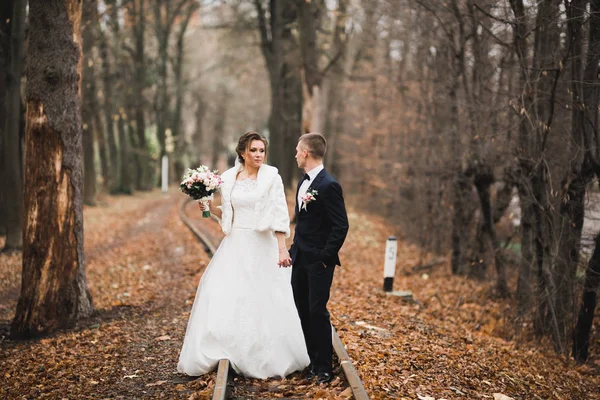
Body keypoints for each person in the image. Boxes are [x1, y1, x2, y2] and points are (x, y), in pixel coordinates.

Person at [177, 131, 310, 379]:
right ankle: (226, 346)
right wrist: (208, 208)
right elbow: (228, 211)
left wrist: (282, 248)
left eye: (261, 150)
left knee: (264, 296)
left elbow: (280, 214)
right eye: (254, 150)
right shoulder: (229, 177)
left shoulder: (272, 177)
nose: (258, 155)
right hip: (236, 242)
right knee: (227, 293)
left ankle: (266, 352)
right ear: (242, 153)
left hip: (263, 243)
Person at [289, 133, 349, 384]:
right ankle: (313, 362)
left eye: (297, 150)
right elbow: (303, 223)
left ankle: (325, 367)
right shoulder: (304, 182)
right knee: (303, 311)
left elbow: (341, 226)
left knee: (317, 312)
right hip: (300, 259)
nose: (294, 154)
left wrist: (325, 257)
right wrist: (294, 250)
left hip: (319, 263)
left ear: (306, 153)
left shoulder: (329, 185)